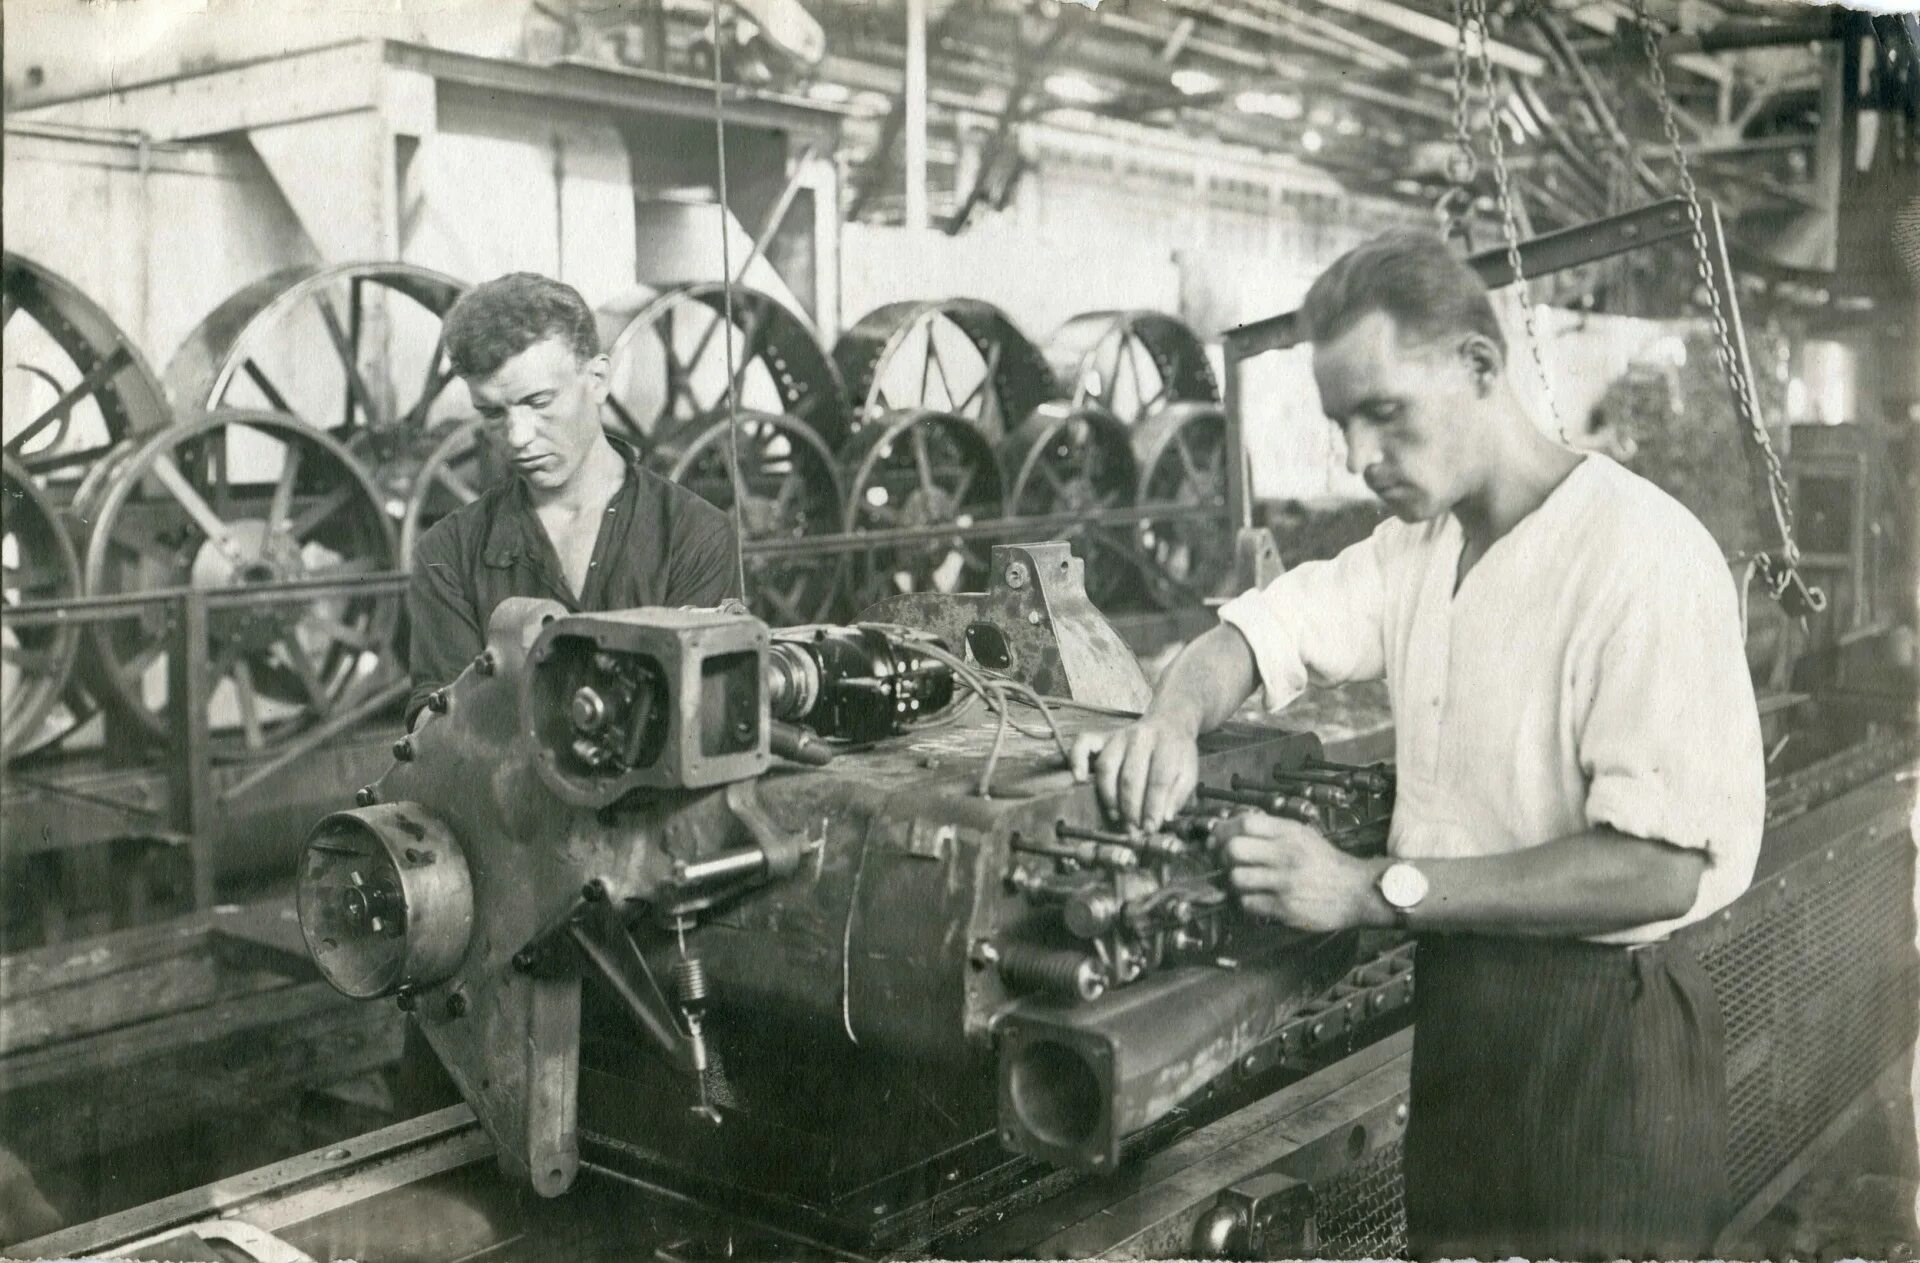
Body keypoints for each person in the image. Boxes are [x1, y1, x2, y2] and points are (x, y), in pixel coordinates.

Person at [1070, 232, 1764, 1261]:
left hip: (1604, 1042)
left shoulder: (1640, 557)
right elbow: (1258, 634)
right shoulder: (1419, 550)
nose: (1358, 458)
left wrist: (1364, 890)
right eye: (1342, 424)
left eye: (1383, 413)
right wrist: (1170, 715)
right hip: (1466, 1010)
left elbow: (1657, 867)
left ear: (1480, 367)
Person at [405, 272, 740, 728]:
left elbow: (708, 717)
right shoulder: (447, 554)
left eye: (539, 402)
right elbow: (436, 729)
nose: (518, 438)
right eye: (491, 413)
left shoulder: (694, 535)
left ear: (598, 378)